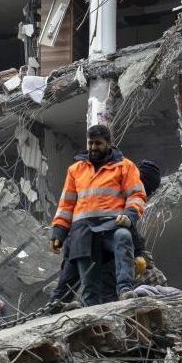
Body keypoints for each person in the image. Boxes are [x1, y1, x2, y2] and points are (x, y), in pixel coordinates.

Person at [50, 125, 146, 305]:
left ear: (109, 144)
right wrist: (58, 232)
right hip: (83, 234)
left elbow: (137, 195)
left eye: (98, 143)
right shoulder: (75, 170)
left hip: (111, 228)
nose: (93, 147)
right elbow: (66, 204)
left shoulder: (125, 167)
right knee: (89, 287)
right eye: (90, 143)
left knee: (123, 236)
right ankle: (88, 312)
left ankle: (125, 289)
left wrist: (129, 215)